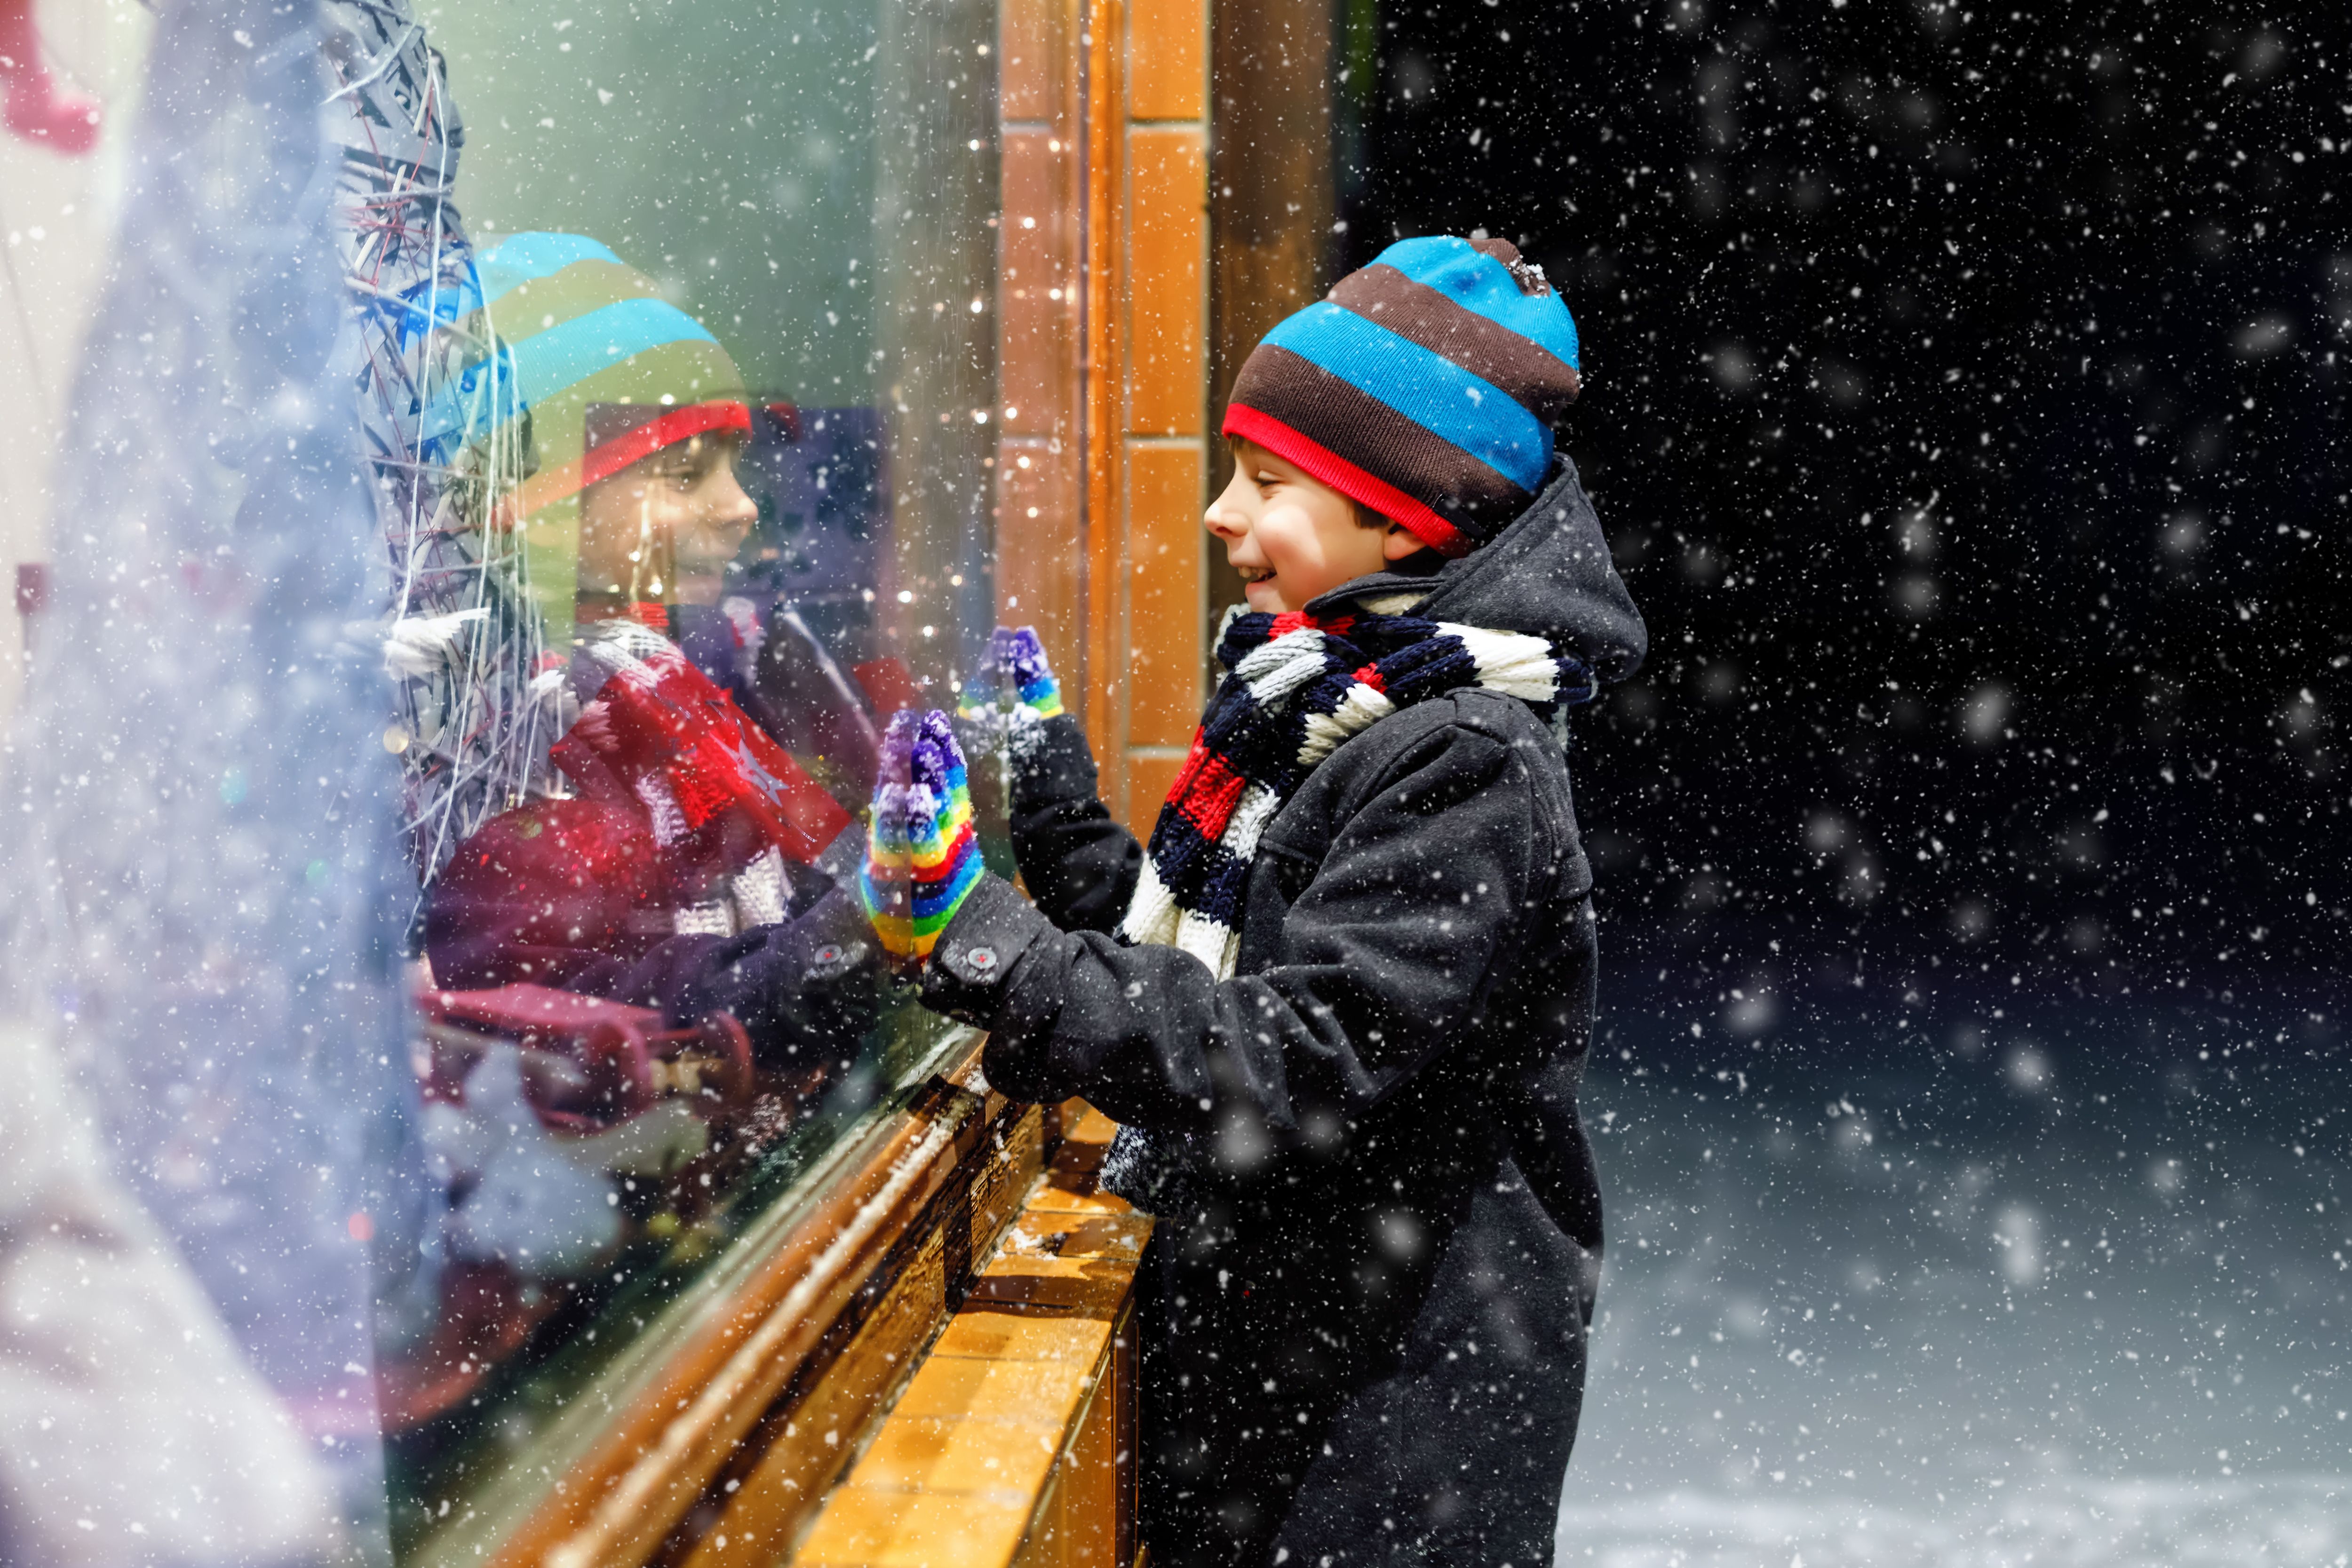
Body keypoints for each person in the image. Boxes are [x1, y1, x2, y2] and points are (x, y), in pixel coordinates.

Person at [858, 234, 1647, 1566]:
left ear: (1404, 516)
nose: (1223, 513)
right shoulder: (1330, 704)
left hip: (1387, 1426)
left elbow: (1298, 1054)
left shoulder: (1461, 758)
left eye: (1268, 481)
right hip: (1292, 1361)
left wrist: (987, 945)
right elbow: (1218, 966)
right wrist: (1052, 809)